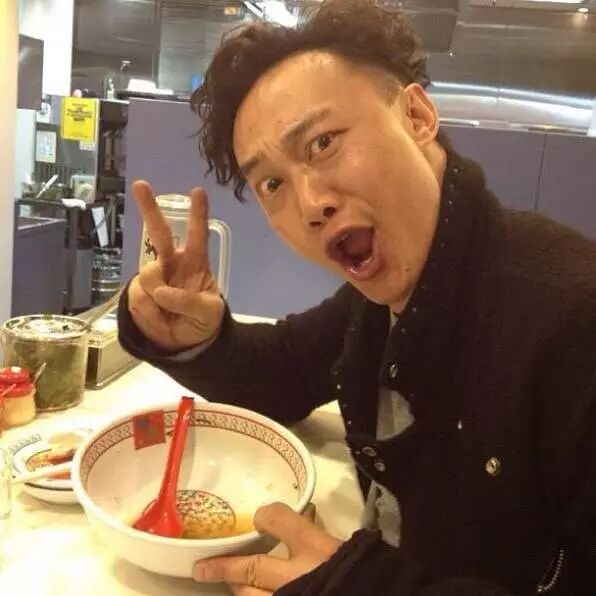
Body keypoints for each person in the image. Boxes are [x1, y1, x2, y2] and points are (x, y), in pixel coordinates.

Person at [118, 0, 596, 594]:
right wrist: (197, 341)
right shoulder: (384, 299)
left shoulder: (573, 321)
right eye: (272, 183)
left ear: (417, 115)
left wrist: (353, 585)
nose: (310, 204)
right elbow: (284, 371)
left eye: (322, 143)